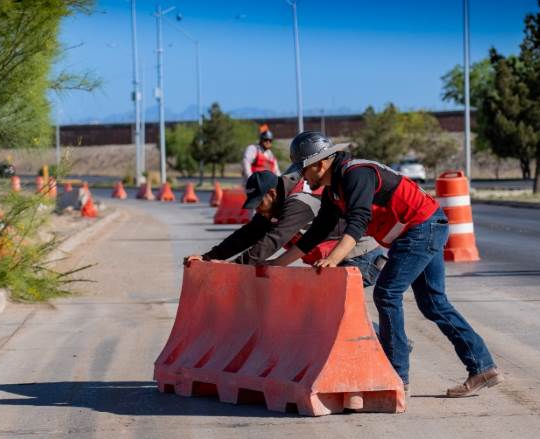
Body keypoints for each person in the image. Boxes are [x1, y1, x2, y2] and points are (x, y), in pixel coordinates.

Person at [271, 132, 501, 397]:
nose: (303, 178)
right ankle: (483, 366)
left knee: (387, 294)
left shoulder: (354, 175)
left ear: (319, 164)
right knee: (434, 303)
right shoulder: (334, 191)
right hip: (424, 227)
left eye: (303, 169)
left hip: (421, 228)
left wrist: (333, 259)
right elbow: (315, 234)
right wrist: (278, 264)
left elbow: (357, 222)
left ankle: (395, 377)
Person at [185, 170, 385, 286]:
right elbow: (246, 235)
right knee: (321, 310)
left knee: (323, 308)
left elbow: (274, 239)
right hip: (335, 261)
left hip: (361, 257)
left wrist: (236, 266)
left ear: (271, 194)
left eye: (258, 204)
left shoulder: (298, 203)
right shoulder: (273, 206)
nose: (257, 211)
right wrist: (208, 258)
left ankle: (380, 341)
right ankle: (381, 340)